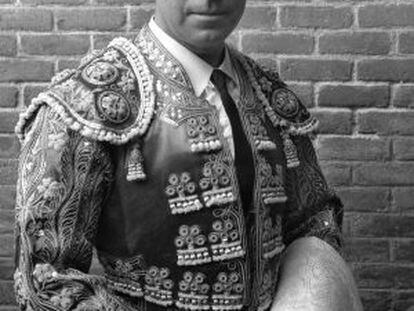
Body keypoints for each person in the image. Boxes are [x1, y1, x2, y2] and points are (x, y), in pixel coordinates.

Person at [13, 1, 363, 310]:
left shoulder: (269, 95)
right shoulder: (85, 103)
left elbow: (314, 219)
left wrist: (307, 295)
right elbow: (45, 280)